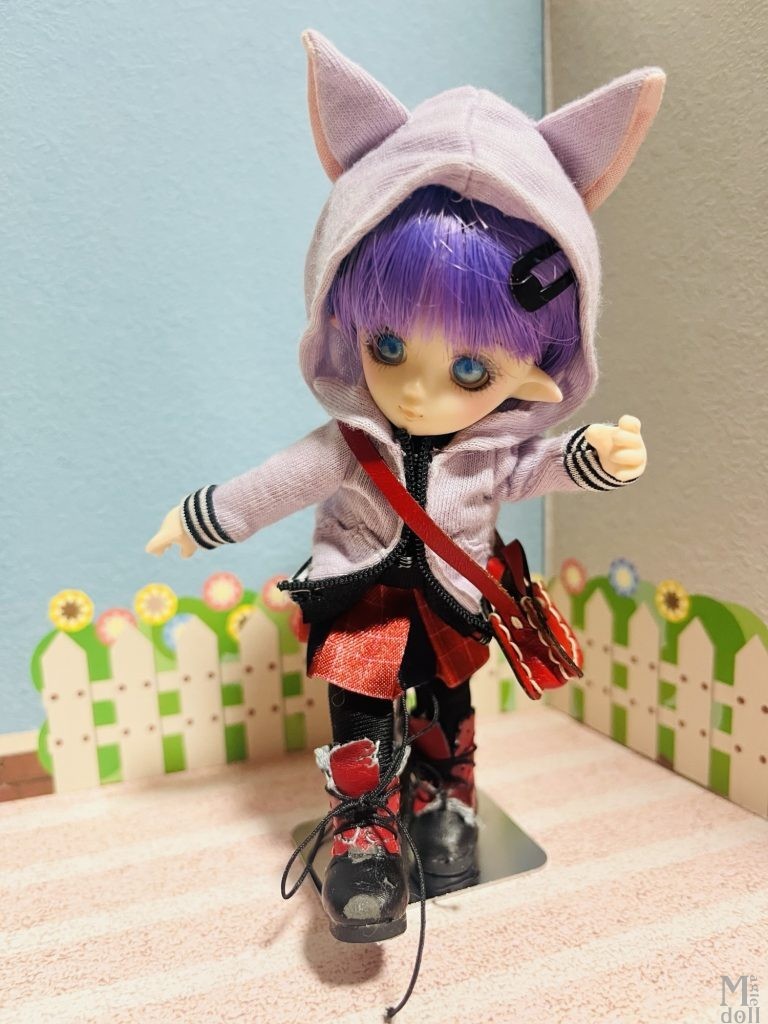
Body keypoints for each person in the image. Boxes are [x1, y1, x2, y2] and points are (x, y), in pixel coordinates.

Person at [146, 29, 664, 1016]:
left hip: (456, 601)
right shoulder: (350, 440)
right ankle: (362, 831)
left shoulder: (491, 448)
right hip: (360, 599)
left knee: (448, 706)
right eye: (389, 346)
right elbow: (276, 482)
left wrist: (595, 456)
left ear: (539, 367)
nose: (422, 392)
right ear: (345, 323)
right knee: (358, 714)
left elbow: (541, 463)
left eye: (472, 368)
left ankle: (445, 800)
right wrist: (202, 515)